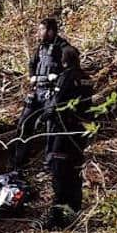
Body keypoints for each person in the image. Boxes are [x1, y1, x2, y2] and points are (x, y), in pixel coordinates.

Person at [39, 45, 91, 230]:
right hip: (80, 134)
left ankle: (58, 217)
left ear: (64, 61)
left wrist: (44, 115)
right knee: (75, 173)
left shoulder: (66, 77)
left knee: (60, 172)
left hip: (63, 132)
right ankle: (75, 211)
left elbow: (56, 104)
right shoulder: (86, 78)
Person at [11, 17, 73, 170]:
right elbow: (32, 64)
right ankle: (18, 161)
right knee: (24, 123)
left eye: (41, 30)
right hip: (37, 91)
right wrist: (32, 76)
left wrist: (58, 82)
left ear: (50, 31)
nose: (39, 33)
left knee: (51, 128)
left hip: (52, 95)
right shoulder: (40, 47)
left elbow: (70, 71)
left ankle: (49, 163)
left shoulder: (64, 48)